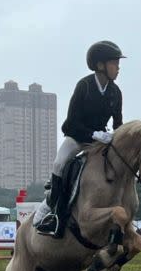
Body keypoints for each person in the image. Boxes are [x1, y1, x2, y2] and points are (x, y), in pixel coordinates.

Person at [34, 40, 126, 236]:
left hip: (101, 141)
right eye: (114, 63)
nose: (118, 68)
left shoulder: (115, 92)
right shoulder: (84, 86)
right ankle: (53, 212)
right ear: (100, 65)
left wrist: (116, 137)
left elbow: (118, 124)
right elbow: (70, 124)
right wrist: (93, 134)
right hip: (77, 137)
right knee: (59, 164)